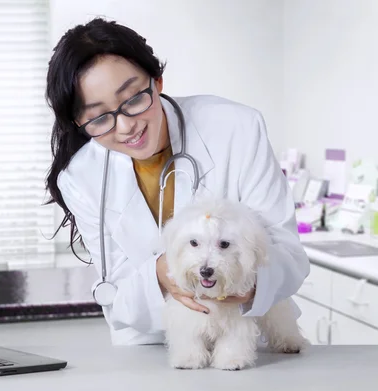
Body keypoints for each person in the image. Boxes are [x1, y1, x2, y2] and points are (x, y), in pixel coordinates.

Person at [44, 18, 310, 345]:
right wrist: (159, 274)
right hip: (151, 348)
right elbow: (118, 298)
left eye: (133, 99)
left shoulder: (236, 128)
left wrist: (248, 283)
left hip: (247, 336)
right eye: (99, 117)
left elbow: (289, 257)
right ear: (79, 122)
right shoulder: (81, 179)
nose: (126, 126)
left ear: (157, 81)